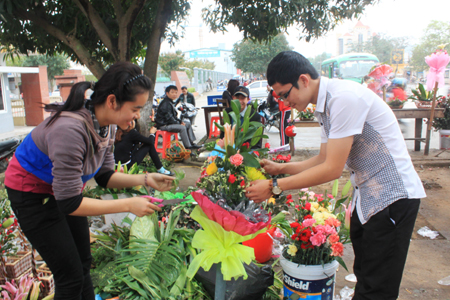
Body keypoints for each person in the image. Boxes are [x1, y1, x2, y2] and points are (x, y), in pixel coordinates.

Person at [246, 51, 426, 300]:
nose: (285, 103)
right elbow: (322, 158)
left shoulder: (344, 99)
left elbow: (332, 169)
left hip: (392, 198)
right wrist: (279, 169)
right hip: (368, 199)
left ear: (304, 80)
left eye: (285, 94)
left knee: (377, 288)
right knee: (364, 275)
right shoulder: (324, 106)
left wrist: (275, 185)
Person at [4, 62, 174, 300]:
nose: (138, 116)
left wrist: (146, 179)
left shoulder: (107, 126)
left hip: (61, 192)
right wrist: (128, 204)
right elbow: (70, 204)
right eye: (135, 108)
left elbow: (104, 176)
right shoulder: (70, 130)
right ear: (112, 101)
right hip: (32, 194)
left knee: (83, 262)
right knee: (70, 276)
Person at [155, 85, 201, 150]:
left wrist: (180, 121)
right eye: (172, 92)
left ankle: (192, 143)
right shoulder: (165, 104)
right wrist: (179, 123)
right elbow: (169, 119)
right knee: (182, 127)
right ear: (167, 93)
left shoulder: (170, 102)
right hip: (164, 125)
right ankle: (188, 147)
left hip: (169, 123)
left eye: (176, 92)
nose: (174, 94)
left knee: (187, 123)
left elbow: (174, 117)